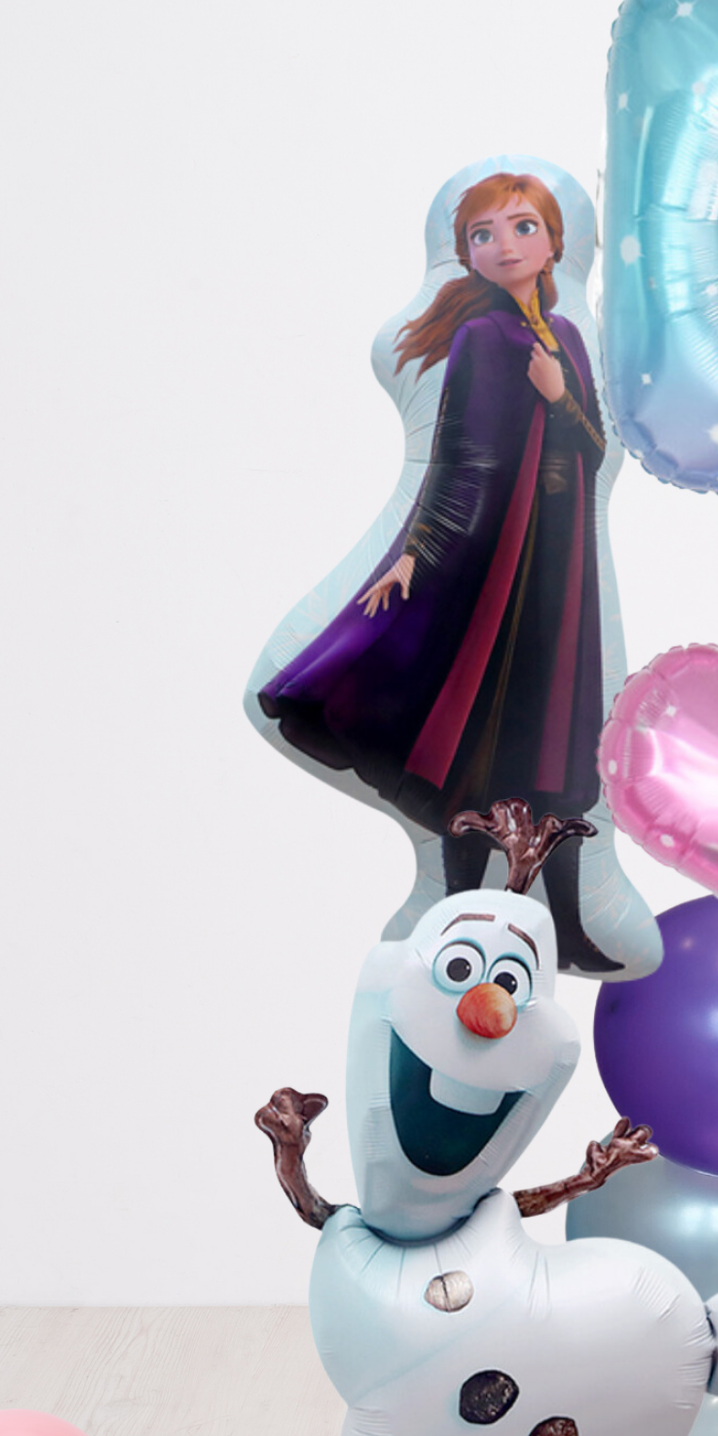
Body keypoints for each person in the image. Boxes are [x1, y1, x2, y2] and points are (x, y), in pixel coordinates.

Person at [258, 172, 619, 972]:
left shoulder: (565, 336)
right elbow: (455, 455)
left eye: (522, 227)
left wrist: (560, 396)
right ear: (466, 255)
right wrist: (416, 551)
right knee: (481, 736)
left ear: (554, 244)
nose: (503, 245)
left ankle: (568, 929)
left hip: (562, 564)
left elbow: (594, 452)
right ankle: (457, 918)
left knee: (559, 736)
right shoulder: (481, 339)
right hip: (495, 559)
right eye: (483, 235)